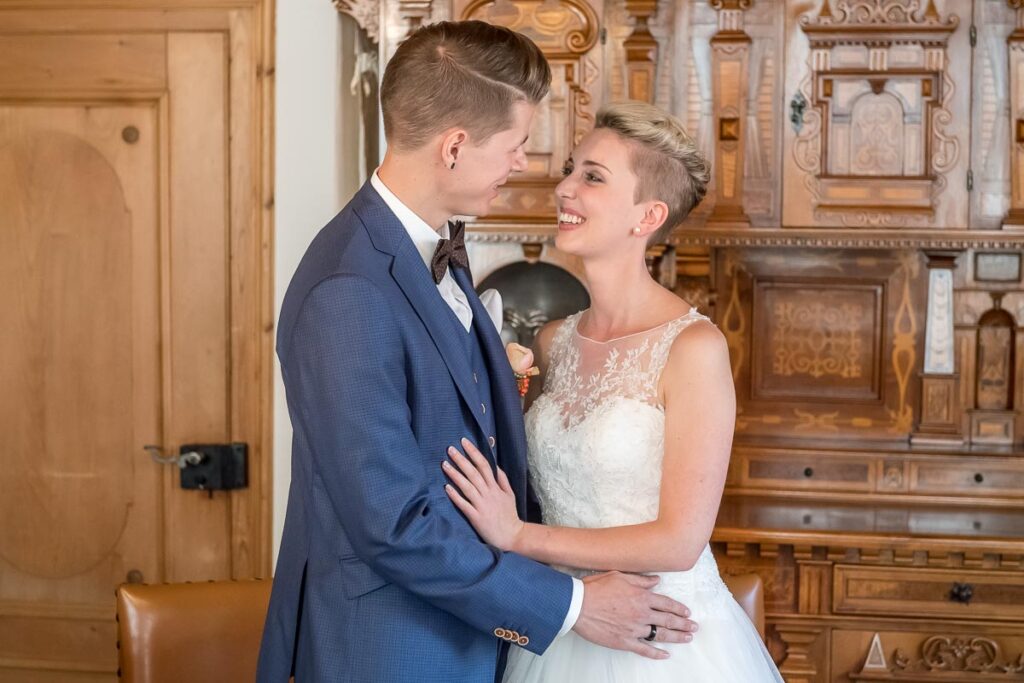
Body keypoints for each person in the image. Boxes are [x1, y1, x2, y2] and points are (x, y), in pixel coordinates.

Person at [257, 23, 698, 683]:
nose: (526, 164)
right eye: (516, 145)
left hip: (476, 631)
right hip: (392, 648)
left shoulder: (431, 250)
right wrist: (573, 602)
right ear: (456, 146)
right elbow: (394, 522)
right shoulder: (346, 289)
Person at [443, 100, 784, 681]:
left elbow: (679, 540)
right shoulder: (553, 342)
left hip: (662, 640)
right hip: (563, 624)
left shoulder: (693, 348)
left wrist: (520, 536)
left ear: (647, 215)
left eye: (592, 177)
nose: (565, 188)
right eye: (571, 169)